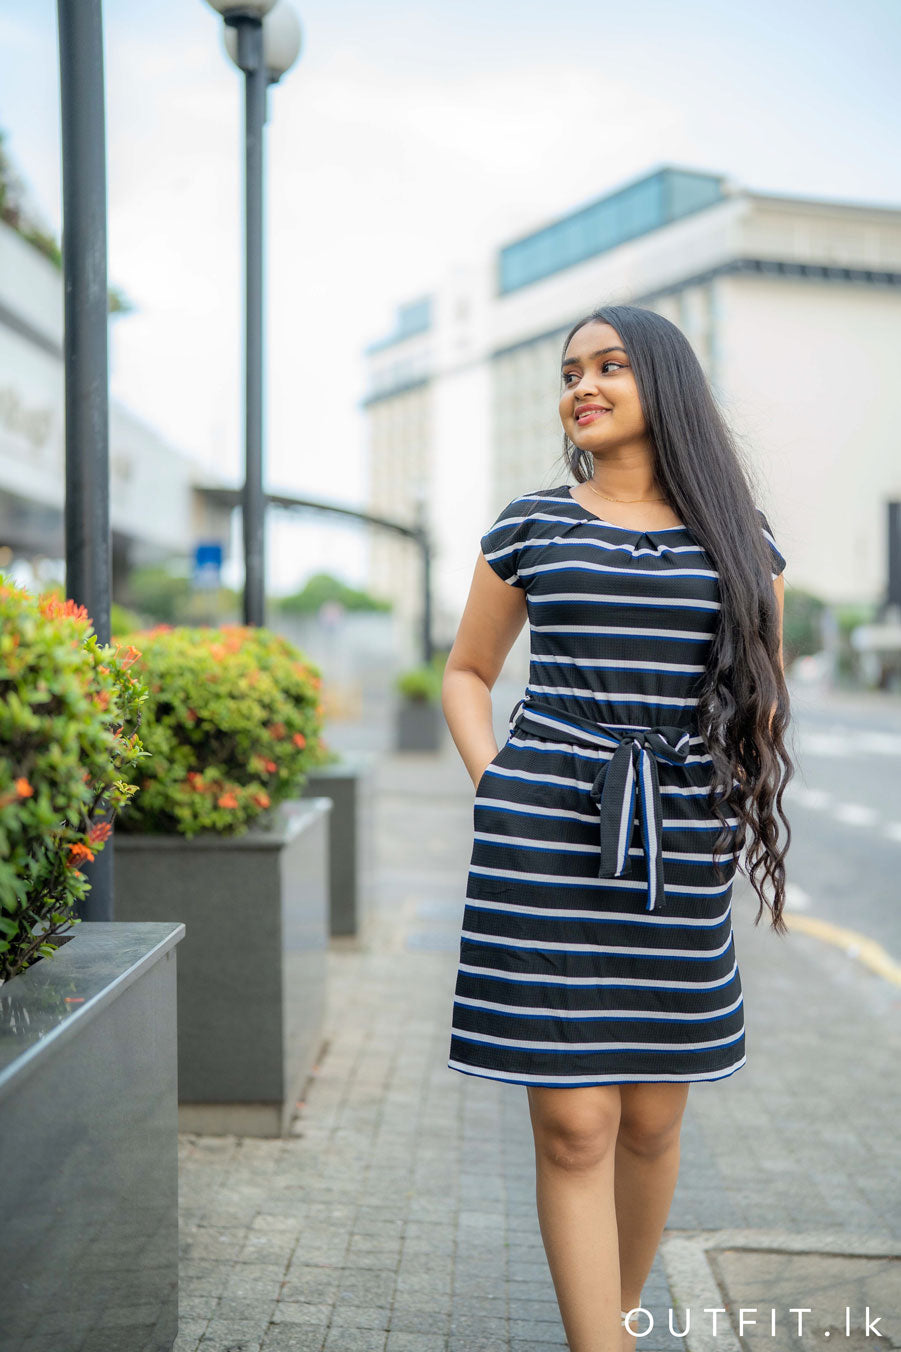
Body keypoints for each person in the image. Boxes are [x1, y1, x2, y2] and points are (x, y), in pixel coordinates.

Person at [441, 303, 794, 1352]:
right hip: (544, 834)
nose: (579, 386)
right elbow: (467, 671)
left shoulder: (741, 539)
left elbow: (765, 689)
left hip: (678, 841)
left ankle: (617, 1314)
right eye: (569, 372)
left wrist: (728, 767)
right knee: (575, 1119)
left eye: (607, 366)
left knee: (649, 1119)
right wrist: (495, 781)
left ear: (666, 386)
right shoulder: (531, 524)